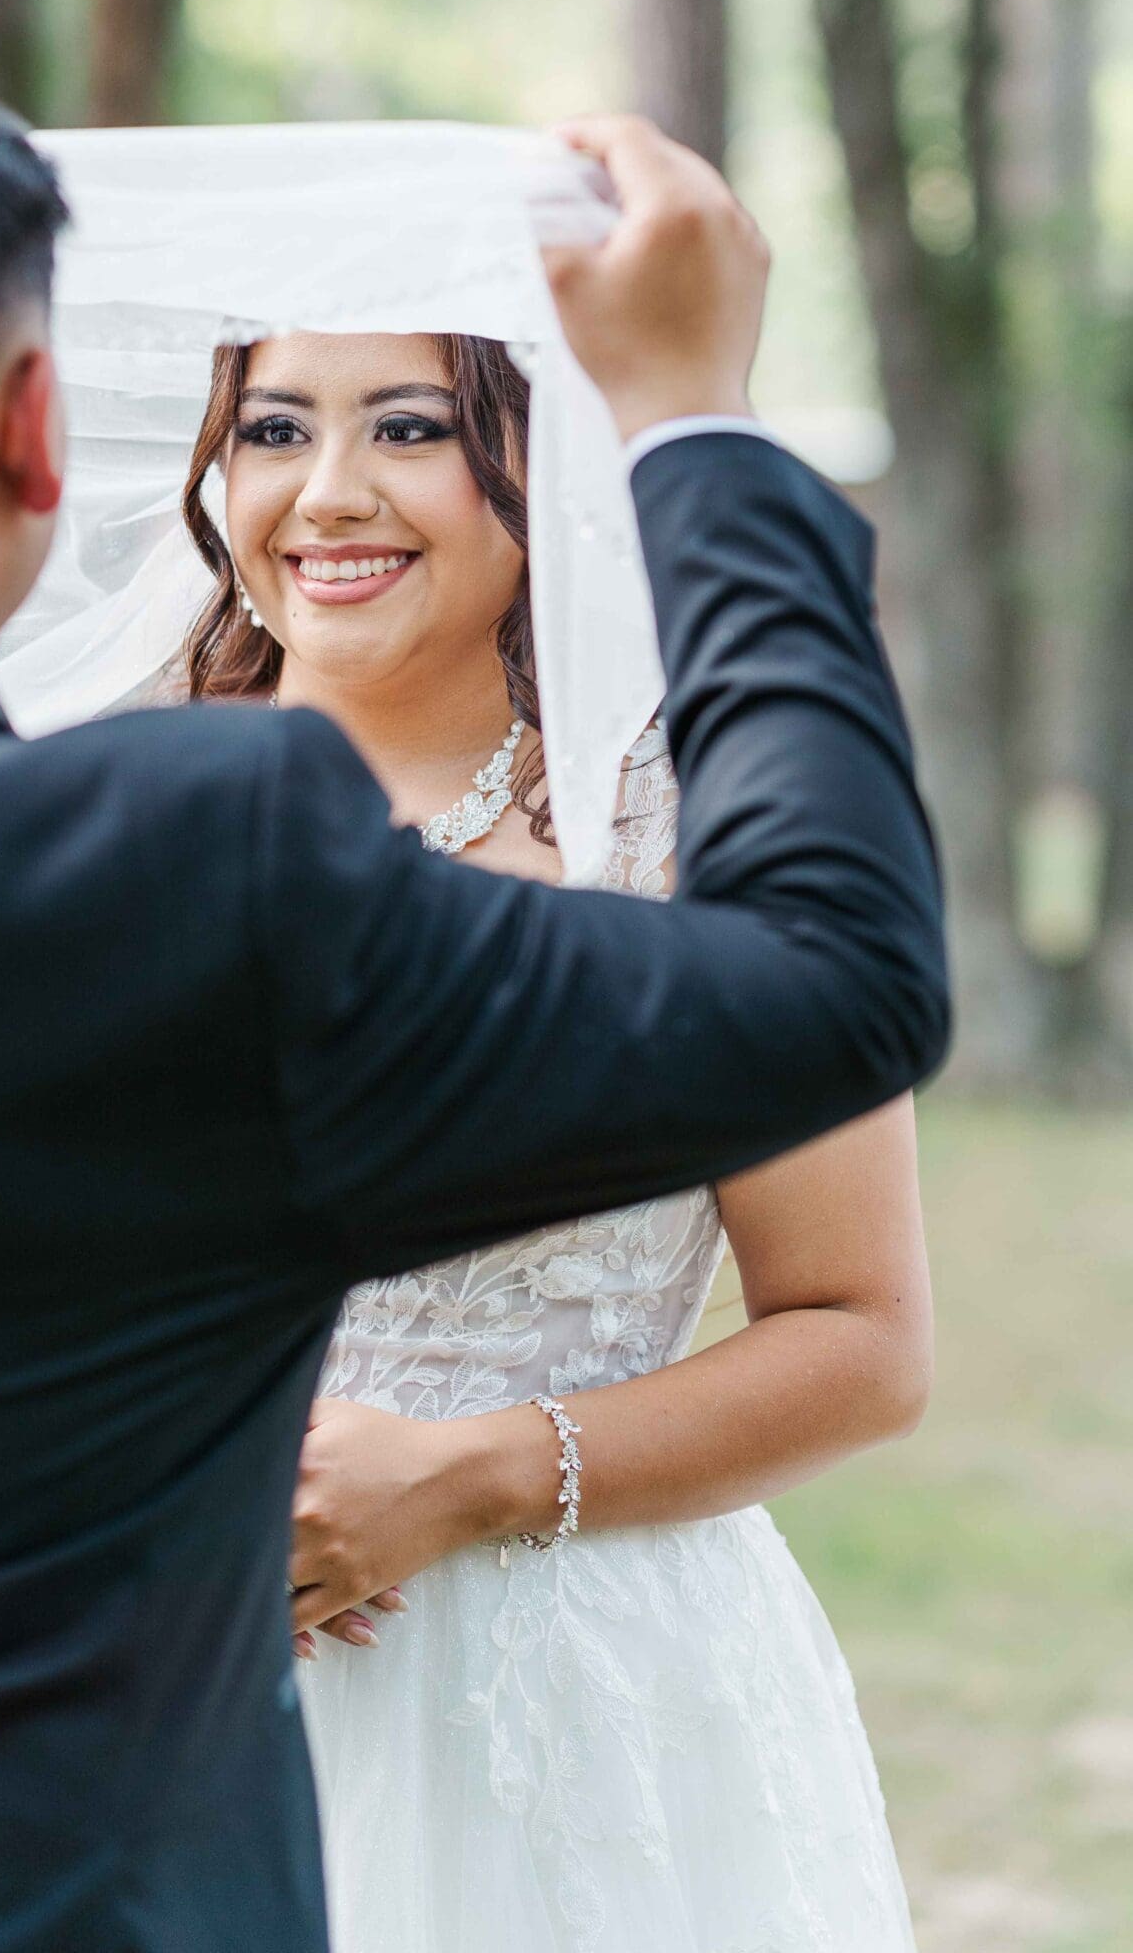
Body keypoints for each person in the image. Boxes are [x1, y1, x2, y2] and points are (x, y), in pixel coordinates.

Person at [0, 70, 946, 1953]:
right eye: (277, 425)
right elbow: (838, 984)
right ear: (38, 432)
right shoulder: (181, 864)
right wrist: (697, 423)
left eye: (407, 425)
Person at [182, 325, 928, 1949]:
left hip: (568, 1717)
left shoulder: (697, 840)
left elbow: (863, 1339)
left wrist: (467, 1477)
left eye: (408, 428)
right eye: (275, 430)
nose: (328, 493)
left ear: (546, 461)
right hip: (141, 1692)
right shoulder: (78, 797)